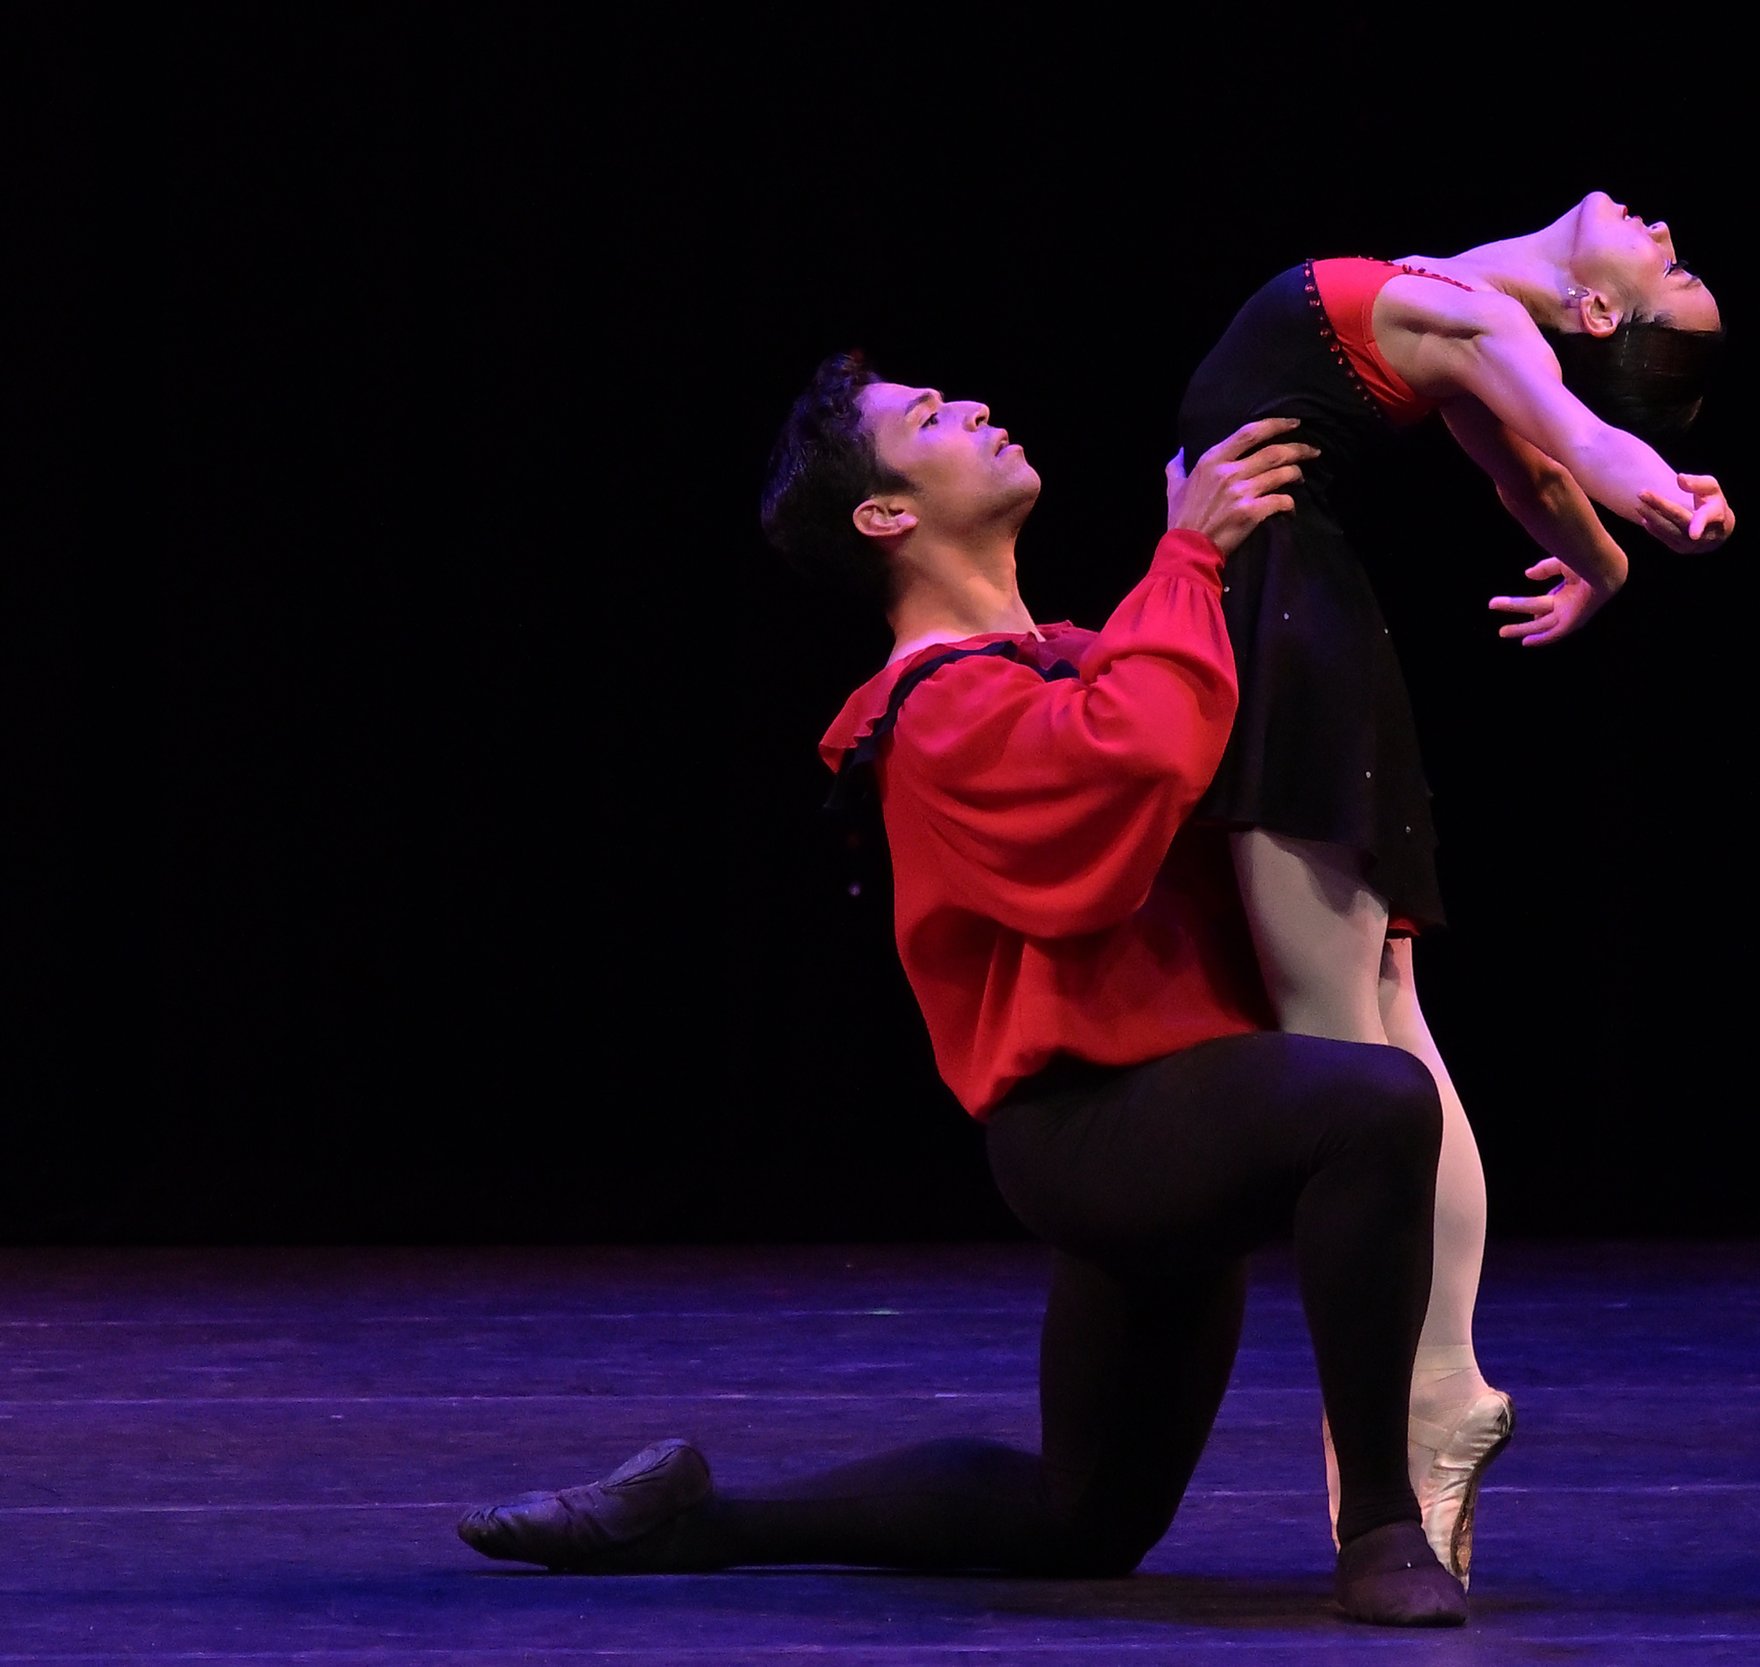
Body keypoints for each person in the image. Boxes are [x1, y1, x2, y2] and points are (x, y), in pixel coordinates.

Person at [455, 352, 1475, 1627]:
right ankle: (1381, 1524)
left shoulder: (1080, 650)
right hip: (1099, 1129)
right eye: (928, 418)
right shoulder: (928, 713)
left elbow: (1245, 759)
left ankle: (700, 1516)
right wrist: (1189, 557)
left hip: (1194, 1110)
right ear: (885, 514)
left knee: (1084, 1519)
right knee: (1372, 1106)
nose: (979, 406)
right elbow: (1142, 747)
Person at [1174, 189, 1737, 1584]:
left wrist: (1657, 501)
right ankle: (1436, 1391)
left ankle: (1414, 1408)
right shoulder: (1466, 316)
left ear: (1597, 313)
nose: (1669, 230)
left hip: (1287, 638)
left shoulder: (1469, 316)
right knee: (1379, 1026)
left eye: (1670, 272)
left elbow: (1578, 442)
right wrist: (1602, 565)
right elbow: (1537, 476)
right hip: (1309, 630)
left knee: (1345, 1051)